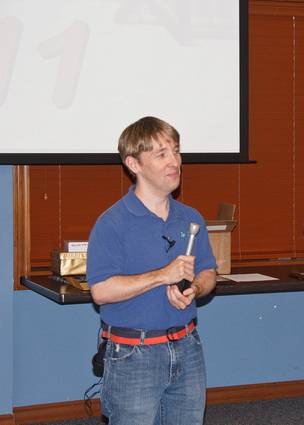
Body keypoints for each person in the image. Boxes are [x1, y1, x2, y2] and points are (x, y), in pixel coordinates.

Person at [87, 116, 217, 425]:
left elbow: (209, 273)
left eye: (176, 150)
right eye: (161, 154)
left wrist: (194, 289)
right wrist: (162, 275)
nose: (175, 161)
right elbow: (101, 291)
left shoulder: (190, 217)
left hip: (187, 348)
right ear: (134, 164)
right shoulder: (112, 223)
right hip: (133, 354)